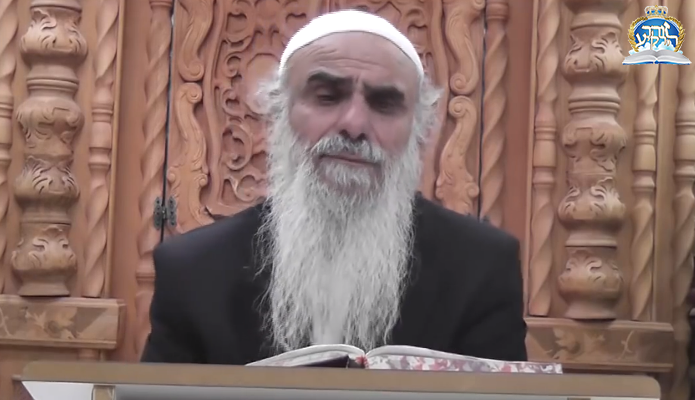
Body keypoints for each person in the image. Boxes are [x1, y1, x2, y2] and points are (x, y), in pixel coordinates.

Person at [141, 9, 527, 365]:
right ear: (279, 112)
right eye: (327, 97)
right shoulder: (194, 271)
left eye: (384, 104)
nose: (354, 125)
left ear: (419, 128)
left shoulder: (481, 268)